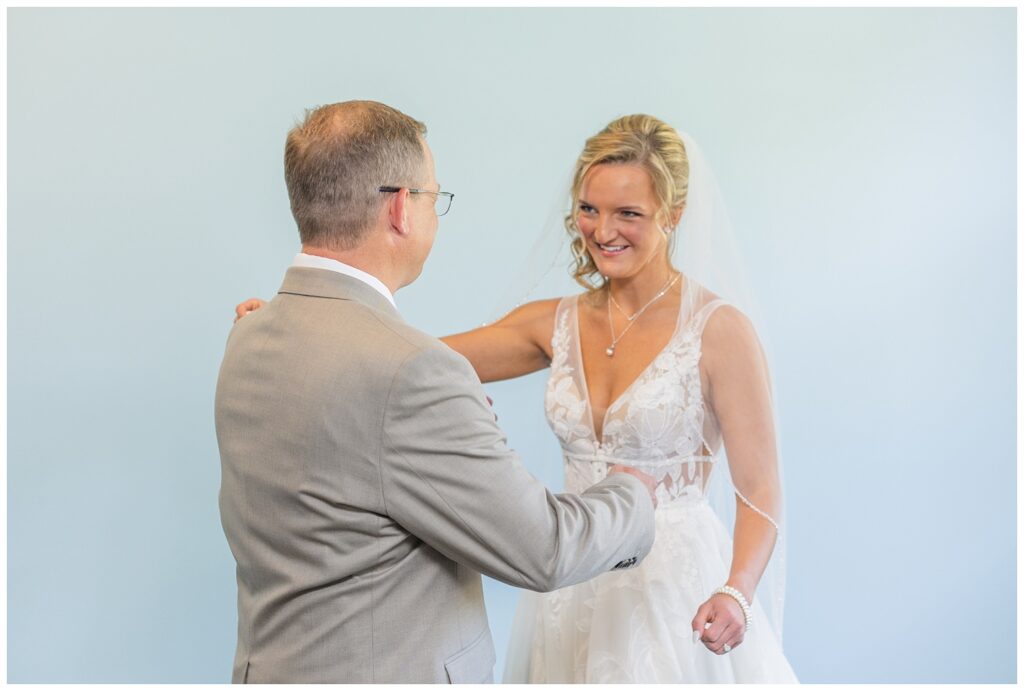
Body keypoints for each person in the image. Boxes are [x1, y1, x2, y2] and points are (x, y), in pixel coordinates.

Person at [235, 113, 796, 682]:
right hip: (570, 582)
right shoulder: (553, 323)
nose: (603, 230)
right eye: (589, 209)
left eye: (628, 213)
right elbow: (400, 360)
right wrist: (303, 328)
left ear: (673, 216)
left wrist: (738, 590)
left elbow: (760, 490)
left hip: (676, 588)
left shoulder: (719, 329)